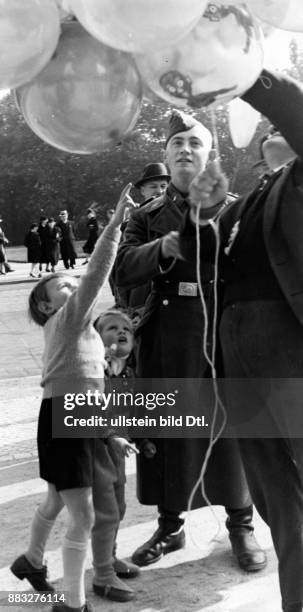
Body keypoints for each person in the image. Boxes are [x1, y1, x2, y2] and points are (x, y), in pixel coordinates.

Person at [115, 111, 266, 572]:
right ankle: (171, 525)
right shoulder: (144, 217)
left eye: (195, 143)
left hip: (224, 336)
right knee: (172, 433)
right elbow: (120, 272)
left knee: (231, 432)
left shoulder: (238, 207)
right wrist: (160, 249)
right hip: (167, 338)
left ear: (209, 155)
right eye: (176, 142)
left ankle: (241, 525)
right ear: (165, 155)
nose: (185, 149)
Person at [179, 68, 303, 612]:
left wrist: (241, 73)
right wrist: (202, 212)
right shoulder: (255, 195)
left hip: (289, 347)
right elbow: (196, 262)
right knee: (280, 503)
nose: (269, 129)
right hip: (239, 357)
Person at [10, 186, 135, 612]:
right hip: (68, 415)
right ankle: (72, 602)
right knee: (82, 516)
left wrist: (108, 432)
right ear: (46, 307)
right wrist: (116, 223)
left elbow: (89, 386)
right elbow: (98, 269)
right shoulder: (67, 320)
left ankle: (30, 560)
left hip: (64, 413)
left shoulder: (74, 331)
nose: (73, 284)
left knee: (55, 499)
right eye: (62, 285)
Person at [93, 308, 140, 600]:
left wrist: (140, 438)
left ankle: (109, 557)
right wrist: (114, 437)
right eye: (111, 328)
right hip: (96, 452)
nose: (121, 332)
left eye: (127, 329)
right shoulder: (94, 372)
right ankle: (102, 577)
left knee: (118, 507)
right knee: (106, 513)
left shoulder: (130, 374)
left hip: (117, 454)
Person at [114, 163, 170, 313]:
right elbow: (120, 268)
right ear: (142, 190)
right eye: (153, 186)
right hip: (140, 297)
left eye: (164, 186)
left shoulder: (178, 215)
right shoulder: (133, 220)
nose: (159, 191)